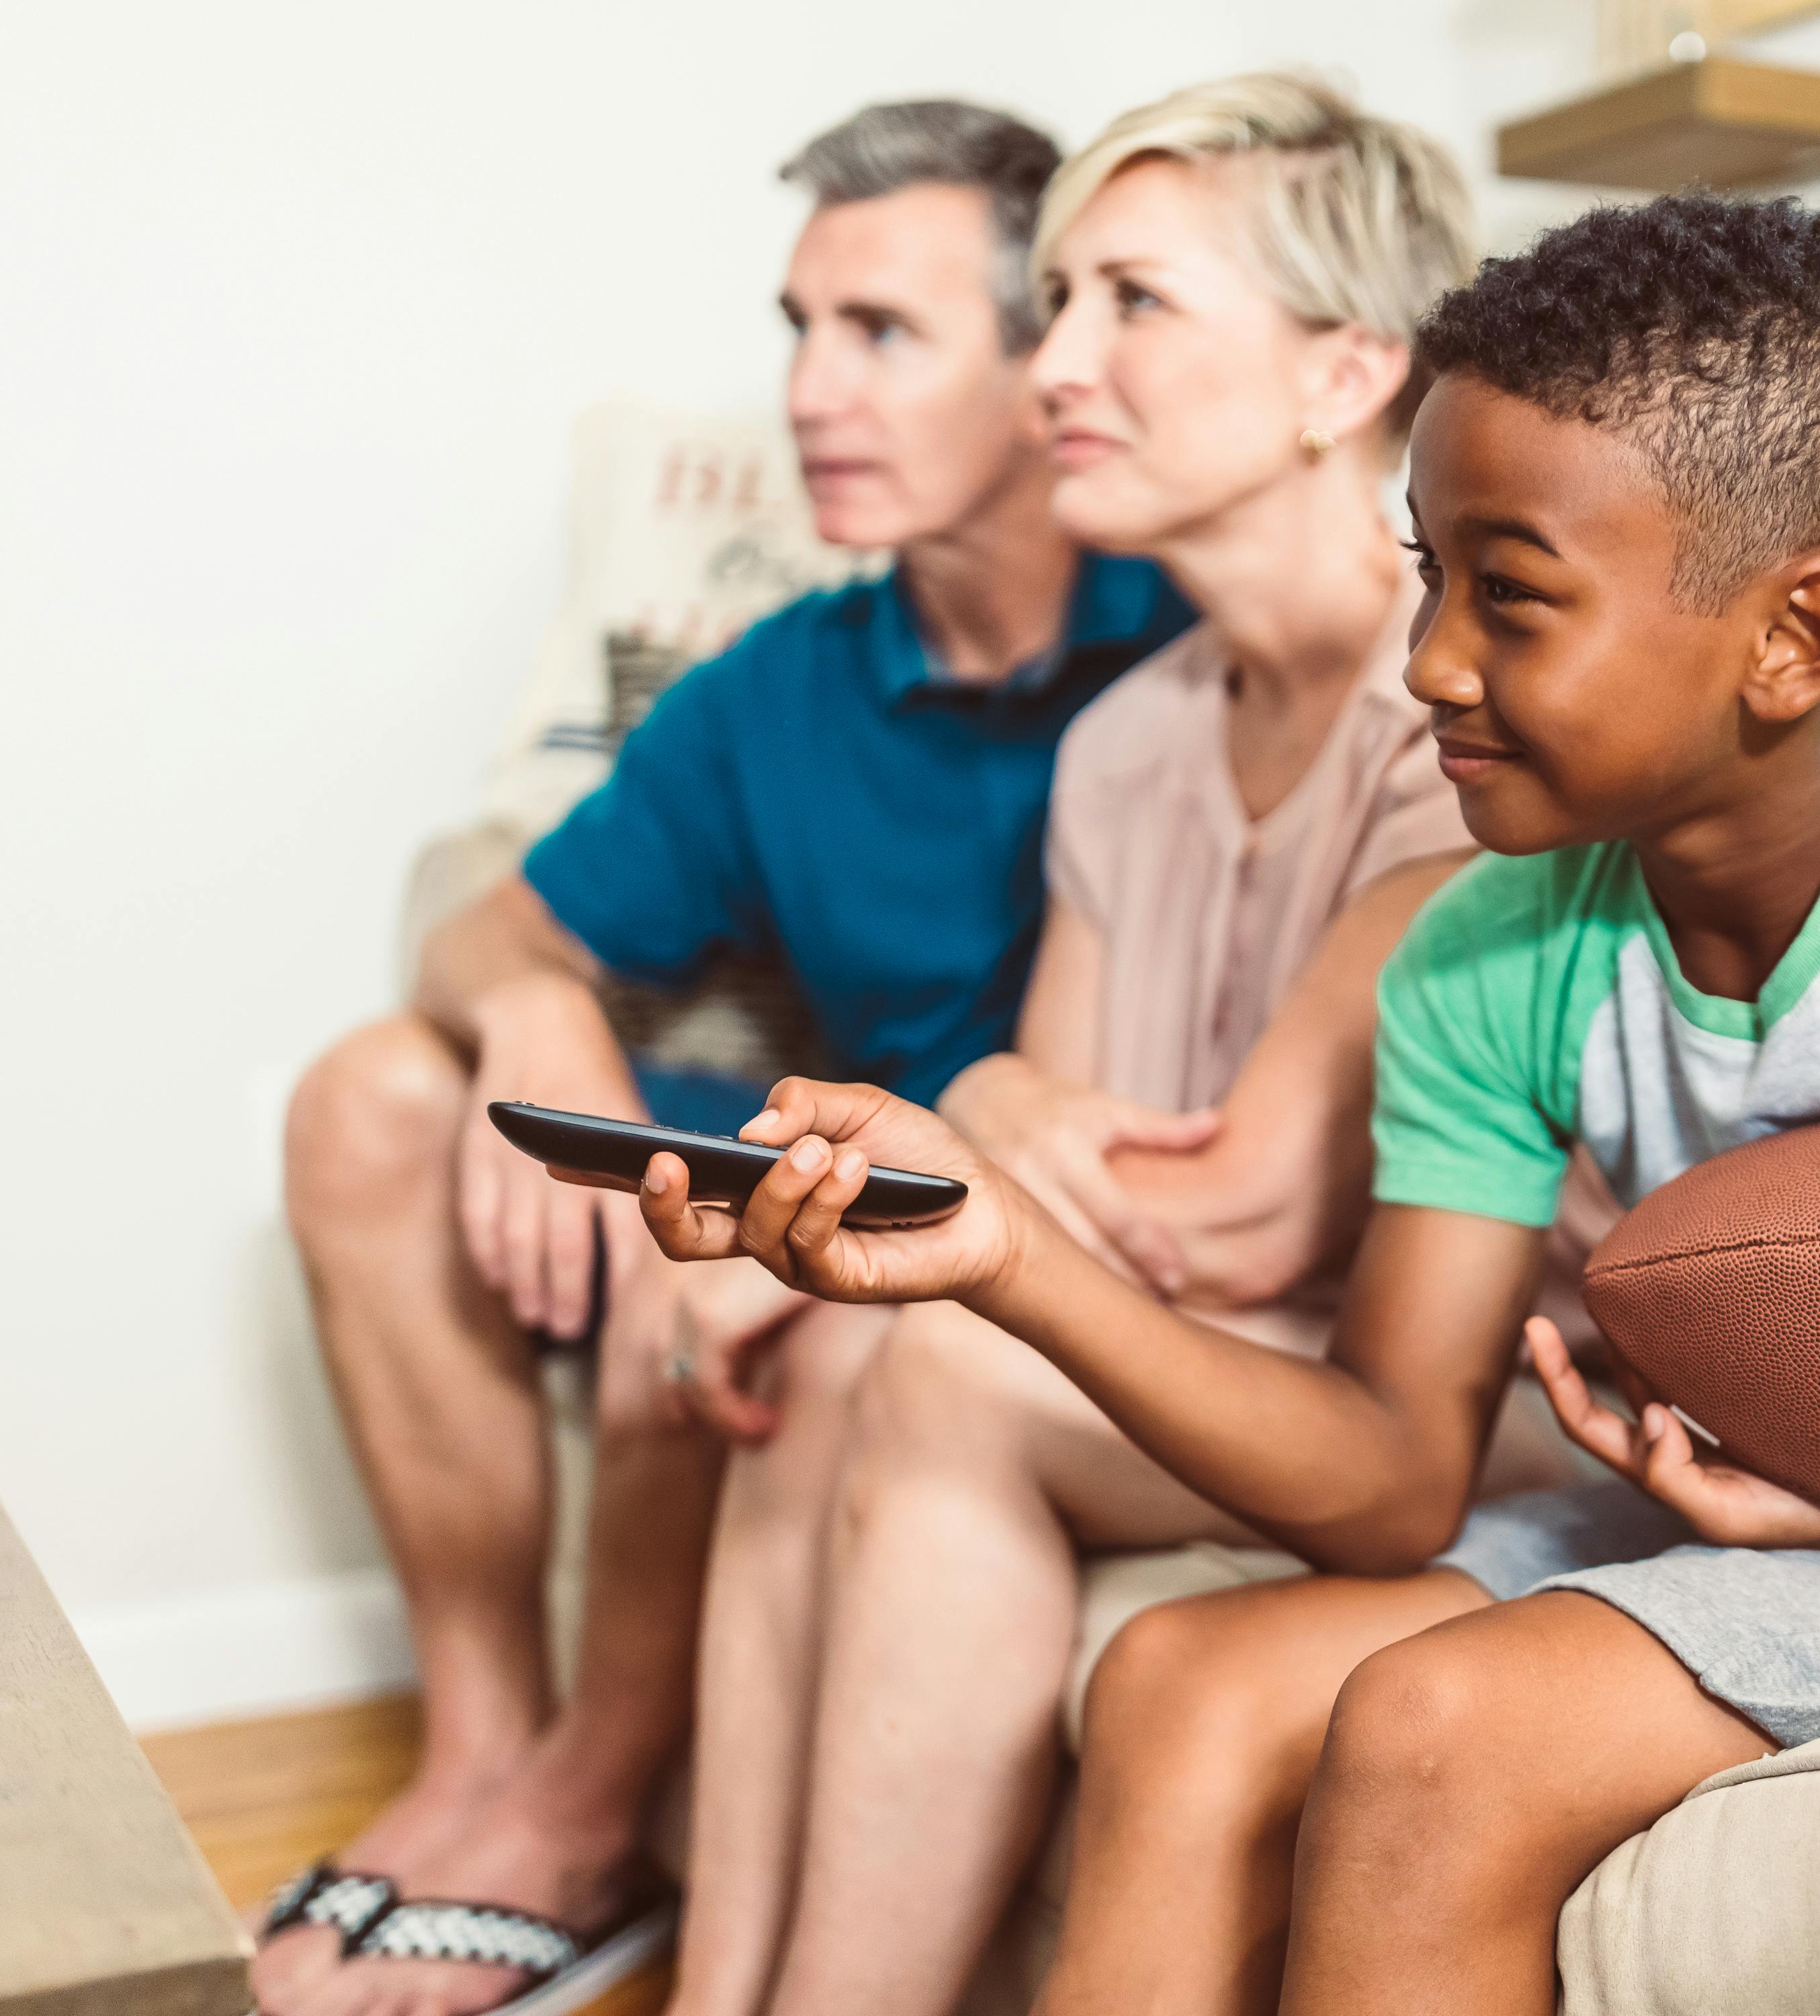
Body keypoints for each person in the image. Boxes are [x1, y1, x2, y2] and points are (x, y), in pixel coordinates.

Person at [616, 194, 1820, 2016]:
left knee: (1441, 1726)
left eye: (1513, 597)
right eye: (1428, 575)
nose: (1430, 663)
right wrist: (1008, 1255)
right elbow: (1390, 1469)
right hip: (1783, 1520)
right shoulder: (1492, 941)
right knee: (1184, 1680)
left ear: (1796, 639)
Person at [654, 73, 1592, 2016]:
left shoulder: (1471, 724)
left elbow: (1231, 1212)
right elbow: (1048, 1173)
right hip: (1233, 1346)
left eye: (1132, 303)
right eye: (1058, 300)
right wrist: (996, 1112)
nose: (1056, 363)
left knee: (938, 1365)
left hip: (1499, 1390)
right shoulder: (1126, 742)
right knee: (834, 1342)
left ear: (1345, 375)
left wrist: (1004, 1117)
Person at [265, 100, 1190, 2016]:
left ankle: (585, 1814)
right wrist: (540, 1007)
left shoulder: (1193, 646)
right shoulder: (785, 681)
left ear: (1051, 369)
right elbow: (491, 925)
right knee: (371, 1099)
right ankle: (479, 1756)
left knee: (725, 1264)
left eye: (881, 333)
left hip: (1045, 1212)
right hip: (851, 1160)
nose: (809, 393)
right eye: (798, 329)